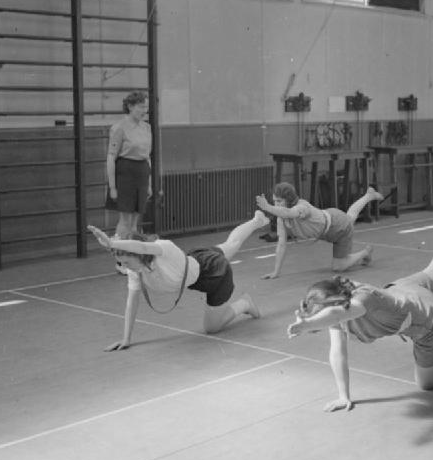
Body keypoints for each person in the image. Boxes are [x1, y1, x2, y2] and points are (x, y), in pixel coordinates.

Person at [286, 231, 433, 412]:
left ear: (332, 306)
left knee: (427, 384)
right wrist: (343, 396)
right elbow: (337, 353)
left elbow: (335, 315)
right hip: (405, 290)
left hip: (426, 319)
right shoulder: (338, 295)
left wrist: (307, 324)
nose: (320, 324)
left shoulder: (361, 302)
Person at [87, 210, 270, 350]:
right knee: (231, 244)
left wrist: (112, 243)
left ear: (138, 254)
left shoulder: (163, 248)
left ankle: (245, 304)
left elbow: (142, 245)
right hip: (197, 261)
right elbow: (131, 303)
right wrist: (126, 339)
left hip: (213, 273)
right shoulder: (136, 271)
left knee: (211, 328)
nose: (125, 267)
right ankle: (257, 220)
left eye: (126, 261)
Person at [255, 183, 384, 279]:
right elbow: (281, 244)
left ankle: (366, 252)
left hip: (338, 226)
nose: (276, 205)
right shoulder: (281, 219)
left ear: (289, 200)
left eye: (279, 201)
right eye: (274, 201)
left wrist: (267, 207)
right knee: (351, 216)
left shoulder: (301, 206)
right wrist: (276, 272)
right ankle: (369, 195)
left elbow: (290, 212)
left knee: (338, 267)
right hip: (328, 225)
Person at [106, 90, 153, 240]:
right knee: (125, 221)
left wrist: (149, 183)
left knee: (135, 223)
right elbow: (111, 157)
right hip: (125, 174)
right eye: (141, 107)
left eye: (146, 107)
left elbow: (147, 157)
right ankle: (119, 253)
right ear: (130, 106)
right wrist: (113, 187)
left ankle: (132, 256)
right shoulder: (119, 127)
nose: (144, 111)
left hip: (142, 174)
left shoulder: (146, 128)